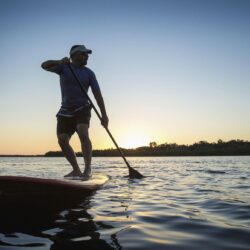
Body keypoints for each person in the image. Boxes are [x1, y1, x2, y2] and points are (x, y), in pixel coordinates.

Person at [41, 44, 109, 179]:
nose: (87, 56)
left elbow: (97, 95)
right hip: (65, 110)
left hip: (82, 108)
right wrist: (59, 61)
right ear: (76, 55)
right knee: (62, 139)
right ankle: (76, 170)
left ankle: (88, 168)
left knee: (83, 132)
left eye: (87, 54)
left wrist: (104, 115)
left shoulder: (89, 73)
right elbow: (44, 65)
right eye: (84, 54)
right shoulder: (64, 68)